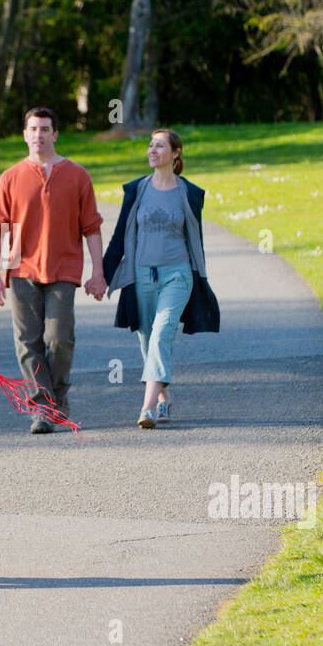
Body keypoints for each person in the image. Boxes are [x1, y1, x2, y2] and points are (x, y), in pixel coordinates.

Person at [0, 107, 105, 434]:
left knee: (58, 339)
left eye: (45, 129)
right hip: (21, 270)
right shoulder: (10, 177)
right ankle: (42, 408)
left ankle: (58, 399)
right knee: (27, 341)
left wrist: (98, 273)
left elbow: (92, 228)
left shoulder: (77, 175)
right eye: (33, 128)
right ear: (25, 134)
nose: (38, 134)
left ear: (55, 134)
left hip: (63, 270)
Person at [101, 130, 220, 428]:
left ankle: (148, 408)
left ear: (176, 153)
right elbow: (119, 237)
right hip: (141, 277)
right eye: (150, 145)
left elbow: (196, 239)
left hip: (177, 275)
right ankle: (165, 398)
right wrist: (101, 275)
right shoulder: (136, 190)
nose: (152, 150)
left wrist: (200, 277)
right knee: (147, 341)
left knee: (161, 332)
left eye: (160, 146)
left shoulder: (189, 193)